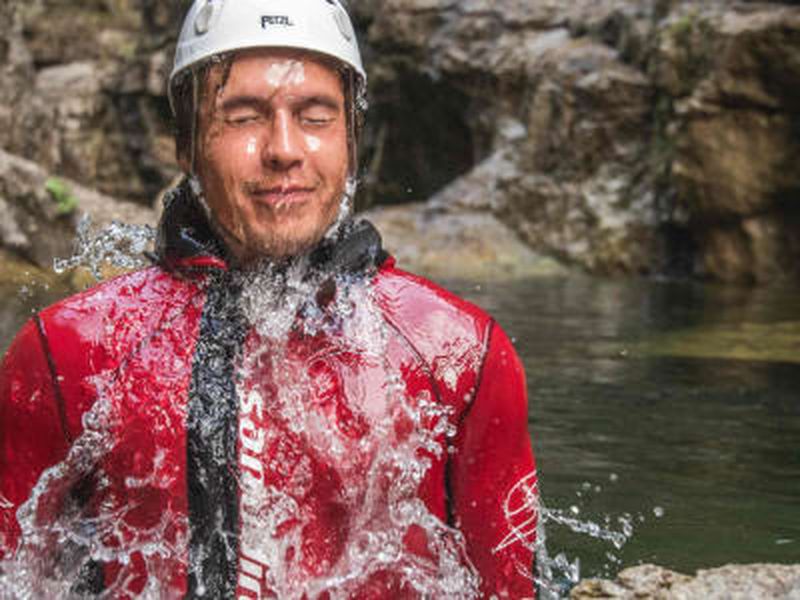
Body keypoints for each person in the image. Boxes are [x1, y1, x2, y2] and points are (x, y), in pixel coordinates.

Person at [0, 0, 539, 597]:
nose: (284, 148)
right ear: (187, 144)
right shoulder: (67, 353)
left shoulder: (458, 355)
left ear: (351, 141)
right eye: (244, 117)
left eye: (315, 116)